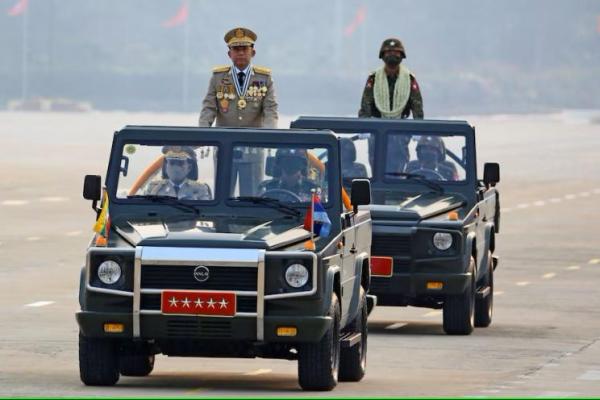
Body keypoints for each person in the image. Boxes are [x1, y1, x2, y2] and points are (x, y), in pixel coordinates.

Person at [199, 27, 278, 195]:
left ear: (253, 52)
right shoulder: (218, 78)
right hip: (224, 148)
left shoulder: (264, 79)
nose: (240, 53)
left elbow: (270, 109)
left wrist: (269, 134)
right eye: (236, 49)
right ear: (229, 54)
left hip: (253, 148)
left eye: (244, 49)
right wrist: (203, 132)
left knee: (250, 198)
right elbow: (209, 107)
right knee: (222, 195)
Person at [358, 38, 423, 119]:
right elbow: (365, 108)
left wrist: (418, 128)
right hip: (377, 126)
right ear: (382, 55)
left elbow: (417, 109)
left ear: (401, 56)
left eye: (396, 52)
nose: (392, 54)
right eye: (388, 52)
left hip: (402, 126)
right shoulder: (374, 79)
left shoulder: (409, 79)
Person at [145, 146, 213, 200]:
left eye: (180, 163)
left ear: (189, 168)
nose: (175, 167)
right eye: (172, 163)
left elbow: (206, 214)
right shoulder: (153, 188)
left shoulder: (201, 189)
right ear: (166, 166)